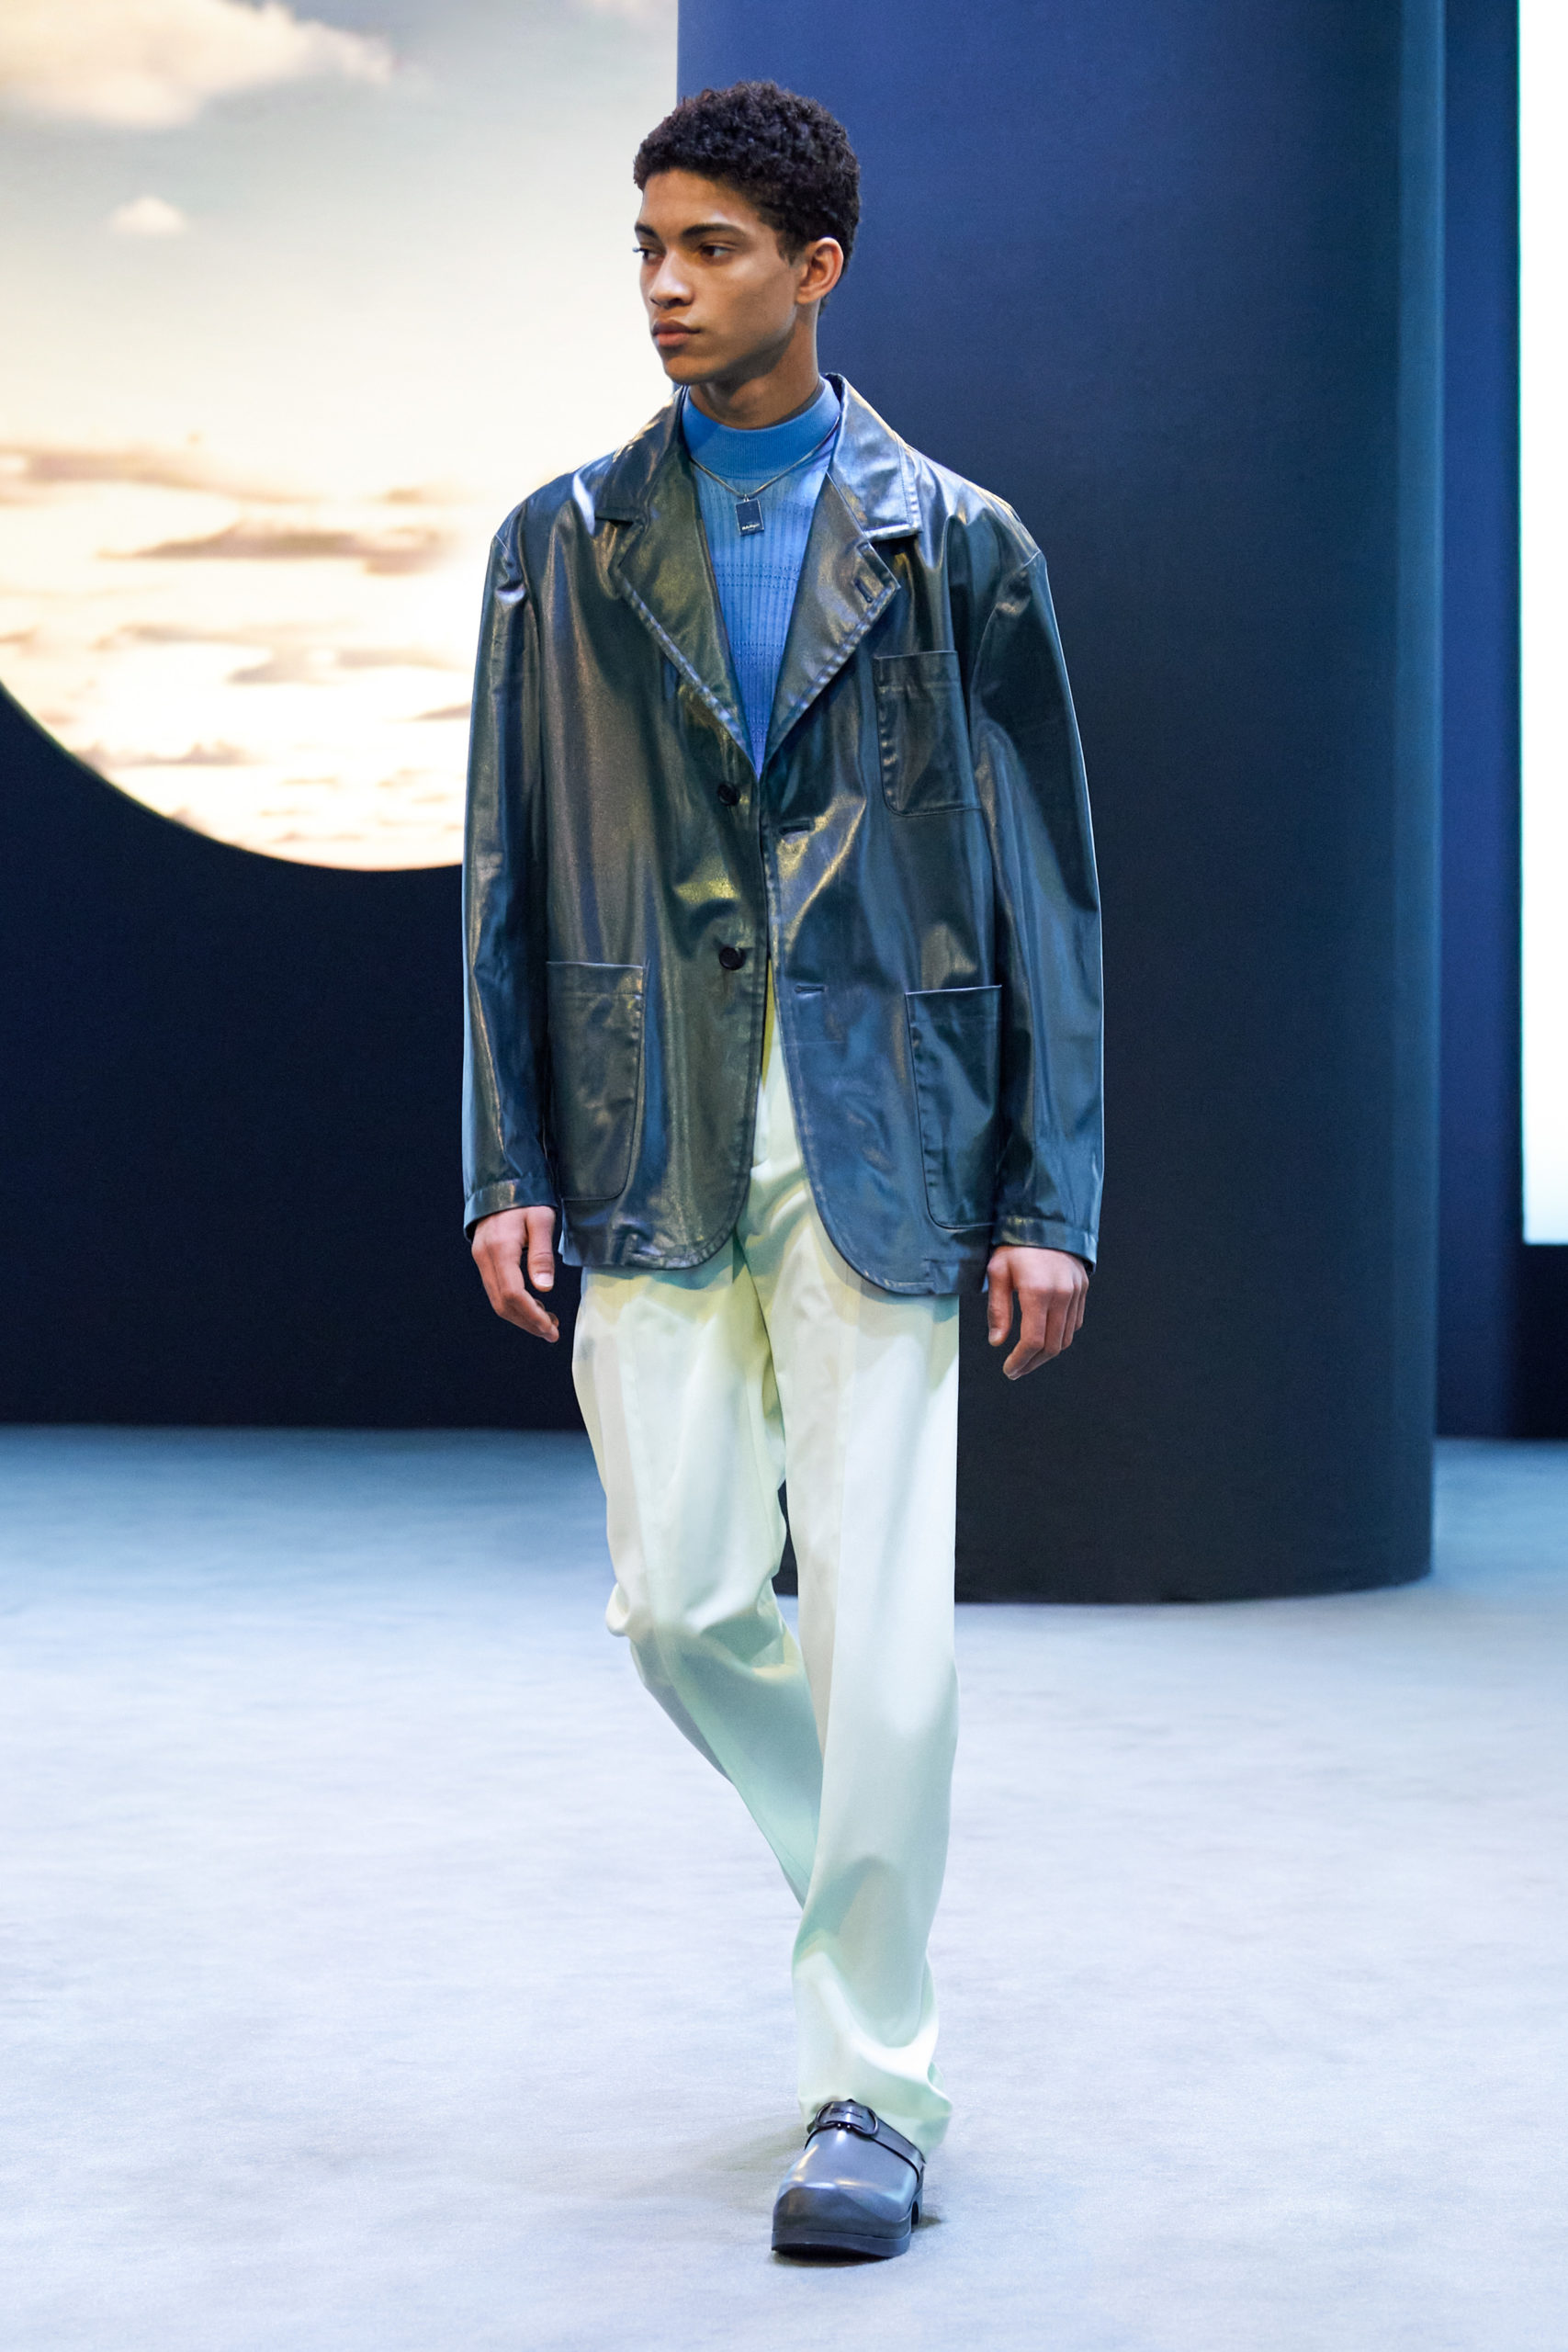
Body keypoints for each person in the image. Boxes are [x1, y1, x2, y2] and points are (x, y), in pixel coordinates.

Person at [462, 79, 1101, 2261]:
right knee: (677, 1601)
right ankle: (870, 1882)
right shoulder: (556, 542)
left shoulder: (960, 543)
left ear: (812, 269)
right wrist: (502, 1150)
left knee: (882, 1629)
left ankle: (871, 2079)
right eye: (645, 244)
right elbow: (501, 870)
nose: (662, 284)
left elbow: (1048, 891)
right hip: (643, 1107)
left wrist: (1047, 1194)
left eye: (709, 247)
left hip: (886, 1119)